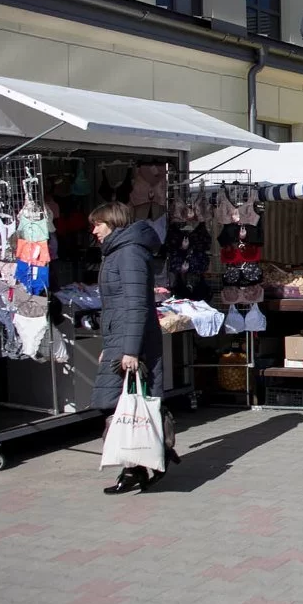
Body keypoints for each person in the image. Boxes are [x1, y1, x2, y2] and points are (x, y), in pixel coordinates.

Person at [90, 202, 178, 495]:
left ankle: (155, 453)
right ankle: (137, 466)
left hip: (133, 342)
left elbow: (136, 305)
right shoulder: (119, 251)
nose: (94, 230)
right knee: (119, 404)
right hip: (123, 339)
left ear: (113, 222)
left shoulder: (128, 253)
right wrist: (111, 346)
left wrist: (129, 350)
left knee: (125, 404)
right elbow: (118, 307)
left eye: (98, 224)